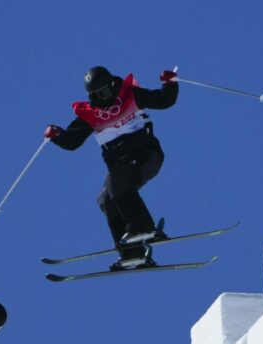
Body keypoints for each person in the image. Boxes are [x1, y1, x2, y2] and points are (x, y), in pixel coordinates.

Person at [44, 66, 179, 269]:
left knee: (115, 180)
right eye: (96, 96)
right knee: (106, 200)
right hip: (122, 166)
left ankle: (143, 226)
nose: (102, 98)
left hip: (146, 155)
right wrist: (57, 136)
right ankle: (132, 253)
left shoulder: (129, 96)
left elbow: (163, 100)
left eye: (105, 92)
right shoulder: (91, 115)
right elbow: (73, 141)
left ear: (113, 85)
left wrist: (169, 83)